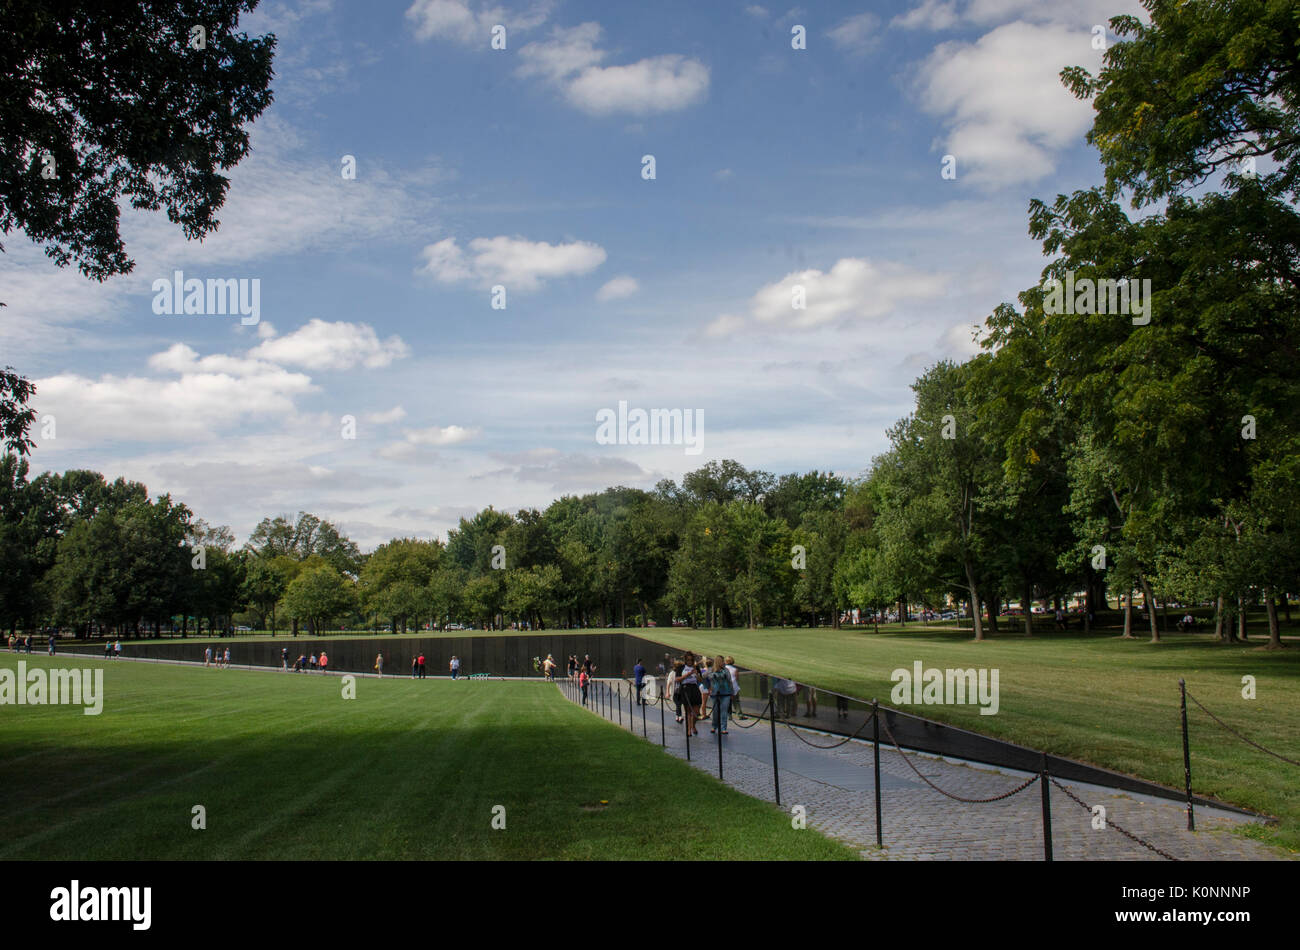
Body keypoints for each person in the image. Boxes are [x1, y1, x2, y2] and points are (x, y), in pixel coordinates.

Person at [679, 652, 702, 737]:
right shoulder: (681, 668)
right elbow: (677, 679)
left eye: (691, 660)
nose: (690, 662)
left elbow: (700, 680)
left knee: (696, 712)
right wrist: (688, 674)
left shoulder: (696, 667)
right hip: (685, 689)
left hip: (694, 689)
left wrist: (696, 674)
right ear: (685, 660)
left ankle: (693, 725)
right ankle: (689, 730)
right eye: (688, 660)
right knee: (688, 711)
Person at [709, 656, 733, 735]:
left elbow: (730, 681)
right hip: (715, 693)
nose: (724, 663)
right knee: (715, 711)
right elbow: (704, 677)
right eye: (722, 661)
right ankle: (714, 726)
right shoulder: (711, 670)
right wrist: (709, 687)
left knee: (724, 711)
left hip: (726, 693)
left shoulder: (726, 670)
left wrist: (731, 692)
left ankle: (723, 728)